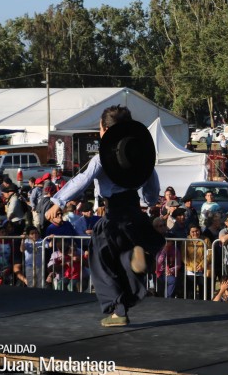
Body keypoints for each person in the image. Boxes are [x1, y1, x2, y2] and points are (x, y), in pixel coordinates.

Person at [45, 106, 163, 327]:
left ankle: (117, 310)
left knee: (101, 262)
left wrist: (57, 202)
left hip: (114, 217)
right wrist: (150, 200)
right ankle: (131, 263)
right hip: (135, 215)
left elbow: (82, 180)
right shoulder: (140, 153)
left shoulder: (102, 158)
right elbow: (151, 186)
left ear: (105, 130)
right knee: (123, 261)